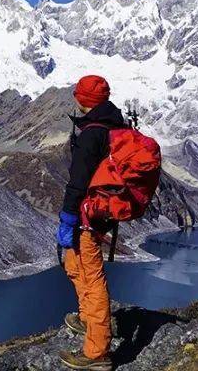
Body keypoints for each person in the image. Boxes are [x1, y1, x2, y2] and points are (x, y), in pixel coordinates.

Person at [56, 74, 122, 371]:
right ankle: (87, 319)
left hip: (88, 213)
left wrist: (68, 217)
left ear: (83, 99)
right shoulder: (115, 125)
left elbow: (77, 182)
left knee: (92, 277)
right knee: (74, 261)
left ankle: (97, 353)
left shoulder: (92, 133)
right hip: (102, 210)